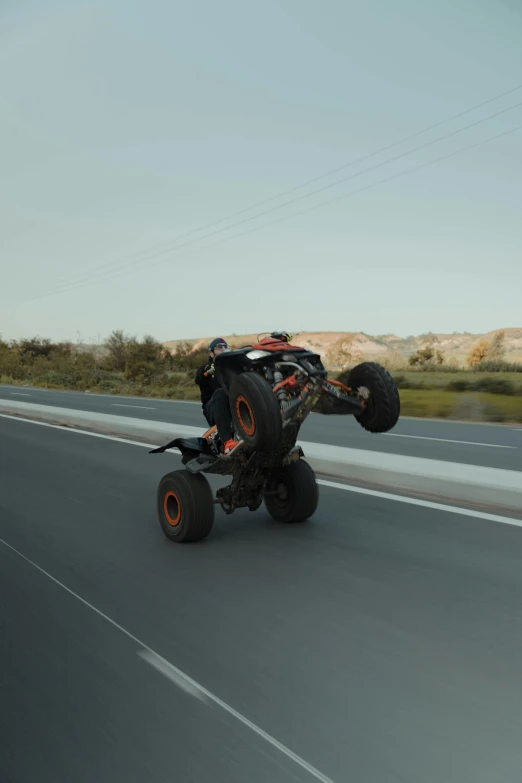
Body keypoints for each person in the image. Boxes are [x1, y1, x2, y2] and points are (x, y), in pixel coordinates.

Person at [194, 338, 240, 455]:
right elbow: (199, 378)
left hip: (233, 405)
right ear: (211, 353)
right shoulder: (207, 369)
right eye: (219, 347)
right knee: (220, 393)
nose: (223, 348)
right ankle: (228, 443)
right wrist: (207, 370)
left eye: (225, 346)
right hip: (213, 408)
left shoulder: (232, 370)